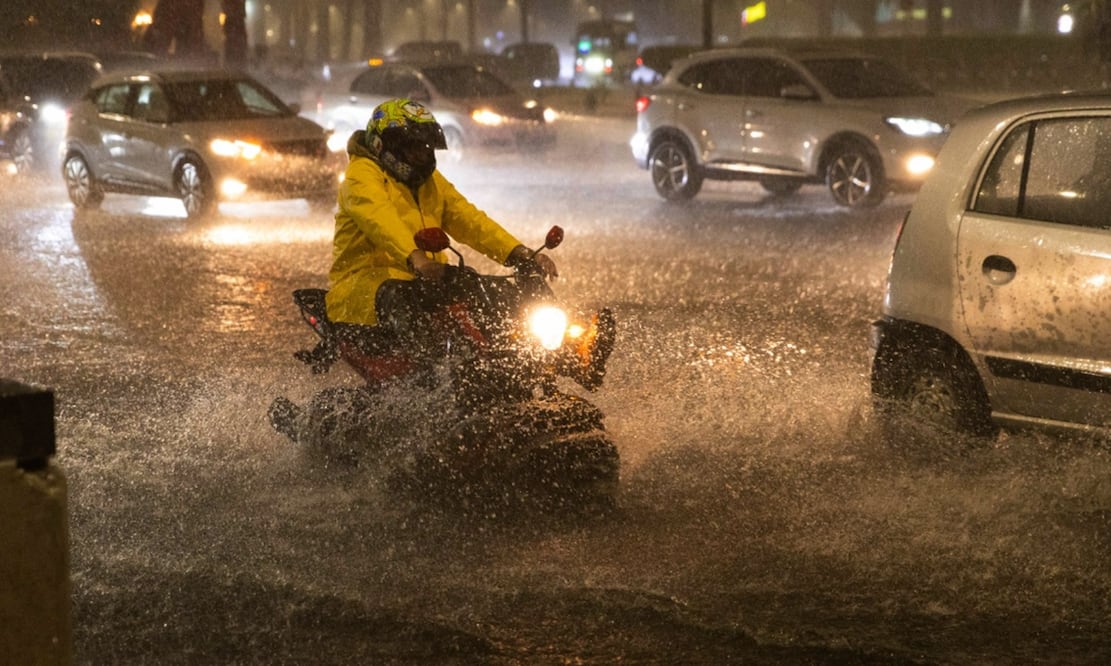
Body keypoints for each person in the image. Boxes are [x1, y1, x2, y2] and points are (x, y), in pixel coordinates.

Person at [325, 98, 556, 340]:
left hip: (427, 279)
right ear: (387, 144)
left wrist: (518, 252)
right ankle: (421, 375)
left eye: (426, 149)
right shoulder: (361, 175)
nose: (422, 156)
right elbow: (380, 221)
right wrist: (417, 258)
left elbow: (468, 219)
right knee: (407, 304)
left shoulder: (430, 180)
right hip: (363, 287)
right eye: (414, 148)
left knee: (492, 292)